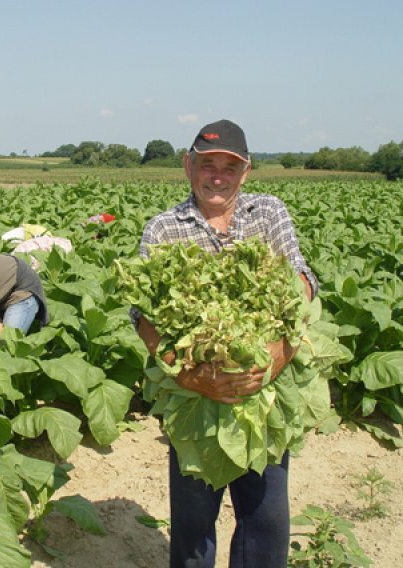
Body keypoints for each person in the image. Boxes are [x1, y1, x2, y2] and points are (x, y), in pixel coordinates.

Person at [133, 119, 318, 568]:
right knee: (194, 524)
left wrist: (279, 353)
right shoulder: (163, 229)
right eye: (207, 163)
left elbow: (303, 280)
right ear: (188, 165)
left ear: (245, 172)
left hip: (265, 396)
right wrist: (191, 373)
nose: (217, 175)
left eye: (229, 167)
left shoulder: (269, 212)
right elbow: (142, 316)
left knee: (266, 518)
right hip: (194, 396)